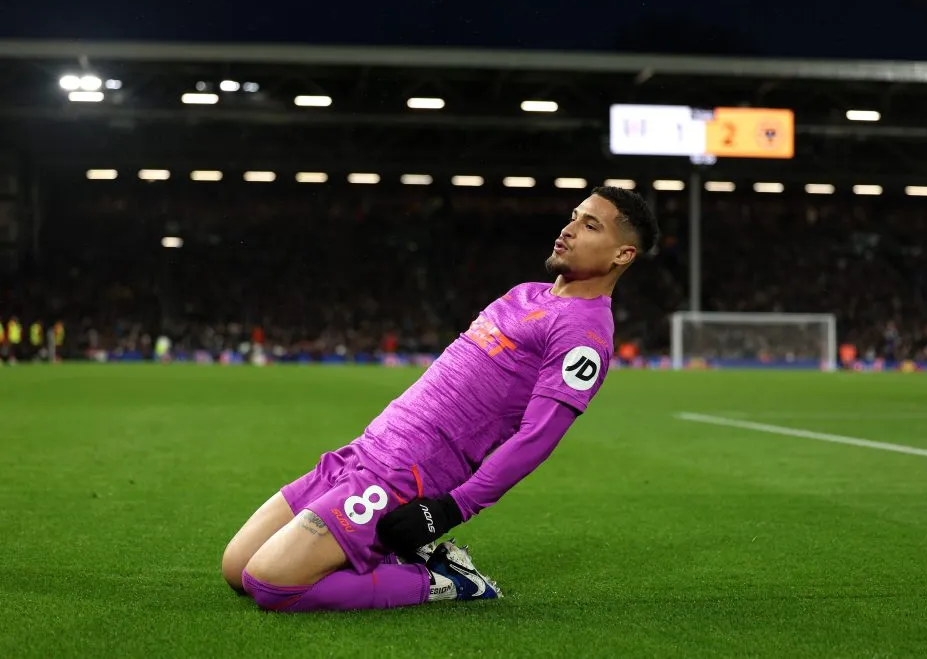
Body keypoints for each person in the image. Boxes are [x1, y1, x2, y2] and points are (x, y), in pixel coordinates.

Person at [221, 186, 659, 613]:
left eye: (591, 225)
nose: (570, 229)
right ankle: (394, 554)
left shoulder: (584, 335)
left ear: (622, 254)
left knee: (271, 584)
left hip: (404, 473)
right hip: (366, 448)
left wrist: (453, 508)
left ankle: (442, 580)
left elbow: (537, 438)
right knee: (236, 569)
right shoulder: (525, 293)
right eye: (573, 217)